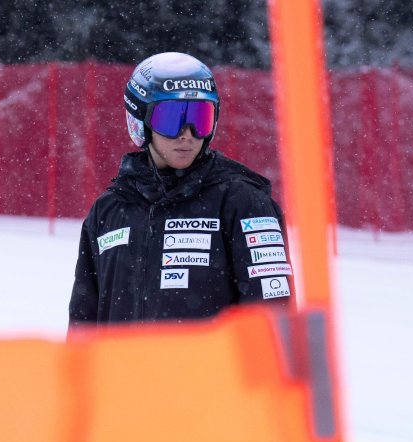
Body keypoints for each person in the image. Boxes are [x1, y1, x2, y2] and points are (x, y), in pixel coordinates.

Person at [68, 51, 294, 326]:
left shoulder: (243, 203)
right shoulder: (108, 211)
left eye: (200, 119)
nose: (187, 134)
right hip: (123, 369)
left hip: (209, 370)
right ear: (141, 122)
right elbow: (83, 320)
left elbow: (272, 318)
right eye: (172, 118)